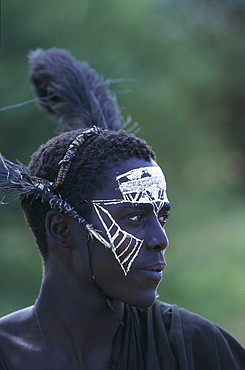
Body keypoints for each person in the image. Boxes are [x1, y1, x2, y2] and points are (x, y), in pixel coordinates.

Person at [0, 48, 244, 370]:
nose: (160, 239)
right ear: (61, 229)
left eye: (162, 217)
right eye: (135, 217)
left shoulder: (195, 346)